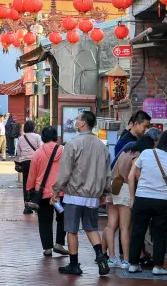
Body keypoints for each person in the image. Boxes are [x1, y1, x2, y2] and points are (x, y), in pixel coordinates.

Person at [52, 111, 112, 276]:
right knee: (91, 228)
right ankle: (100, 256)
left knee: (71, 230)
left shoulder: (73, 144)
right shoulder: (102, 146)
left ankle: (74, 265)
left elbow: (64, 172)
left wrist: (56, 189)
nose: (75, 122)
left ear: (83, 123)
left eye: (77, 119)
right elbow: (108, 173)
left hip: (74, 194)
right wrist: (104, 193)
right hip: (92, 196)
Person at [128, 131, 167, 275]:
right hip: (162, 201)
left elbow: (136, 173)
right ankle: (158, 267)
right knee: (160, 235)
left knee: (137, 231)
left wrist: (146, 183)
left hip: (142, 198)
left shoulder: (145, 153)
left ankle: (133, 264)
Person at [102, 136, 155, 270]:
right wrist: (133, 197)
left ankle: (112, 257)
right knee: (125, 227)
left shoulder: (126, 151)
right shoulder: (137, 156)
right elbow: (135, 175)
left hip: (113, 186)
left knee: (111, 225)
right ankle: (126, 259)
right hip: (125, 189)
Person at [26, 126, 68, 257]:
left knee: (45, 220)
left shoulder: (38, 153)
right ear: (56, 136)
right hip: (61, 192)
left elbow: (32, 174)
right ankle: (59, 244)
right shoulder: (64, 151)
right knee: (63, 218)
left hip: (43, 192)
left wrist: (29, 189)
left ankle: (47, 248)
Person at [17, 120, 43, 214]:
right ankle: (36, 204)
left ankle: (27, 206)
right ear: (33, 128)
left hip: (25, 163)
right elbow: (41, 149)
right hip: (35, 162)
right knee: (37, 183)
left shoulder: (21, 138)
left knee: (26, 184)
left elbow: (19, 152)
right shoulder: (37, 137)